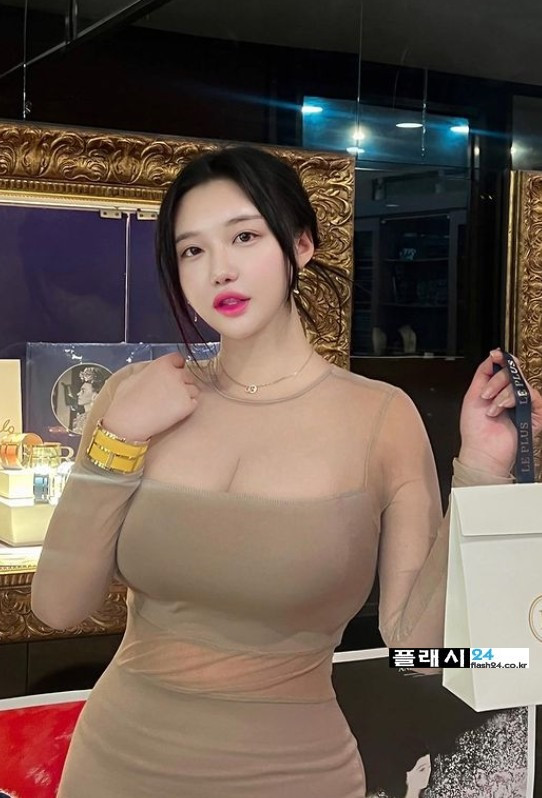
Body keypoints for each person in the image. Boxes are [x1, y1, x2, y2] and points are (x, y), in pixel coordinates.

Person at [31, 146, 542, 798]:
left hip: (296, 775)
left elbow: (414, 650)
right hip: (116, 764)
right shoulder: (134, 397)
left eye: (244, 236)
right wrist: (118, 441)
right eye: (192, 250)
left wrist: (482, 472)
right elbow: (58, 607)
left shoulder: (381, 417)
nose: (219, 269)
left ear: (301, 244)